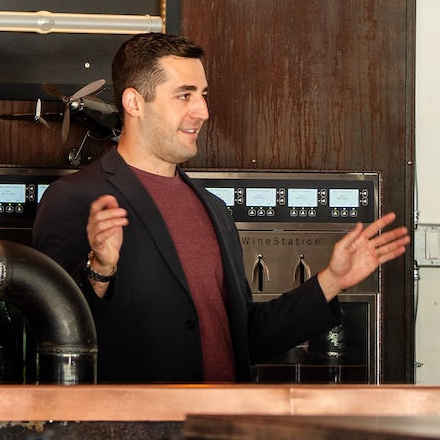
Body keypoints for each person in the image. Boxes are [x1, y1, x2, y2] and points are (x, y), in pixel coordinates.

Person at [32, 32, 409, 383]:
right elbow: (54, 334)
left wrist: (332, 281)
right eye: (184, 95)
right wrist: (100, 268)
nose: (203, 112)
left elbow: (243, 338)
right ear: (134, 103)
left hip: (219, 436)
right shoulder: (75, 197)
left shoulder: (212, 208)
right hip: (137, 439)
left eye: (203, 94)